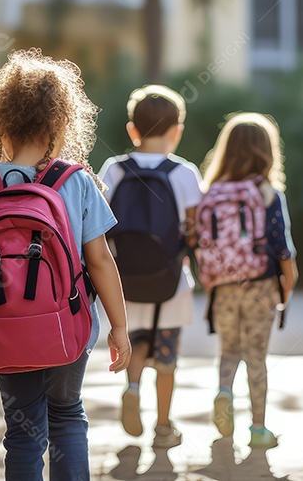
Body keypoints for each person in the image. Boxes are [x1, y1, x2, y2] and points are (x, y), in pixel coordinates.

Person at [0, 49, 131, 480]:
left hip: (4, 328)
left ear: (0, 122)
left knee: (22, 432)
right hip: (68, 326)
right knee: (66, 415)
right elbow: (99, 260)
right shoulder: (75, 181)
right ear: (62, 123)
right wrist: (119, 325)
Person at [98, 85, 202, 449]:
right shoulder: (184, 173)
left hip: (124, 280)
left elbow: (98, 222)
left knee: (137, 342)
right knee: (167, 352)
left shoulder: (114, 169)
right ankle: (163, 426)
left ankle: (131, 387)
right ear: (177, 131)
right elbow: (194, 228)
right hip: (171, 280)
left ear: (132, 130)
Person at [199, 113, 298, 449]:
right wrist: (286, 287)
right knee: (256, 357)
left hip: (223, 287)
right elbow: (282, 249)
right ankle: (258, 430)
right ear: (267, 152)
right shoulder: (267, 192)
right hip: (260, 285)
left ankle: (224, 392)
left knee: (228, 351)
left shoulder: (211, 191)